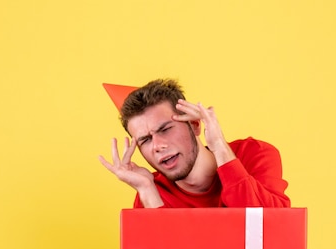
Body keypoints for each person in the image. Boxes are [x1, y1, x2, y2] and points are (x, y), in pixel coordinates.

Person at [99, 79, 290, 208]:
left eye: (165, 129)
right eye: (146, 140)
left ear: (195, 124)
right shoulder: (151, 190)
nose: (157, 145)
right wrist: (147, 191)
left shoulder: (255, 154)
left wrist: (220, 147)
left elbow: (271, 228)